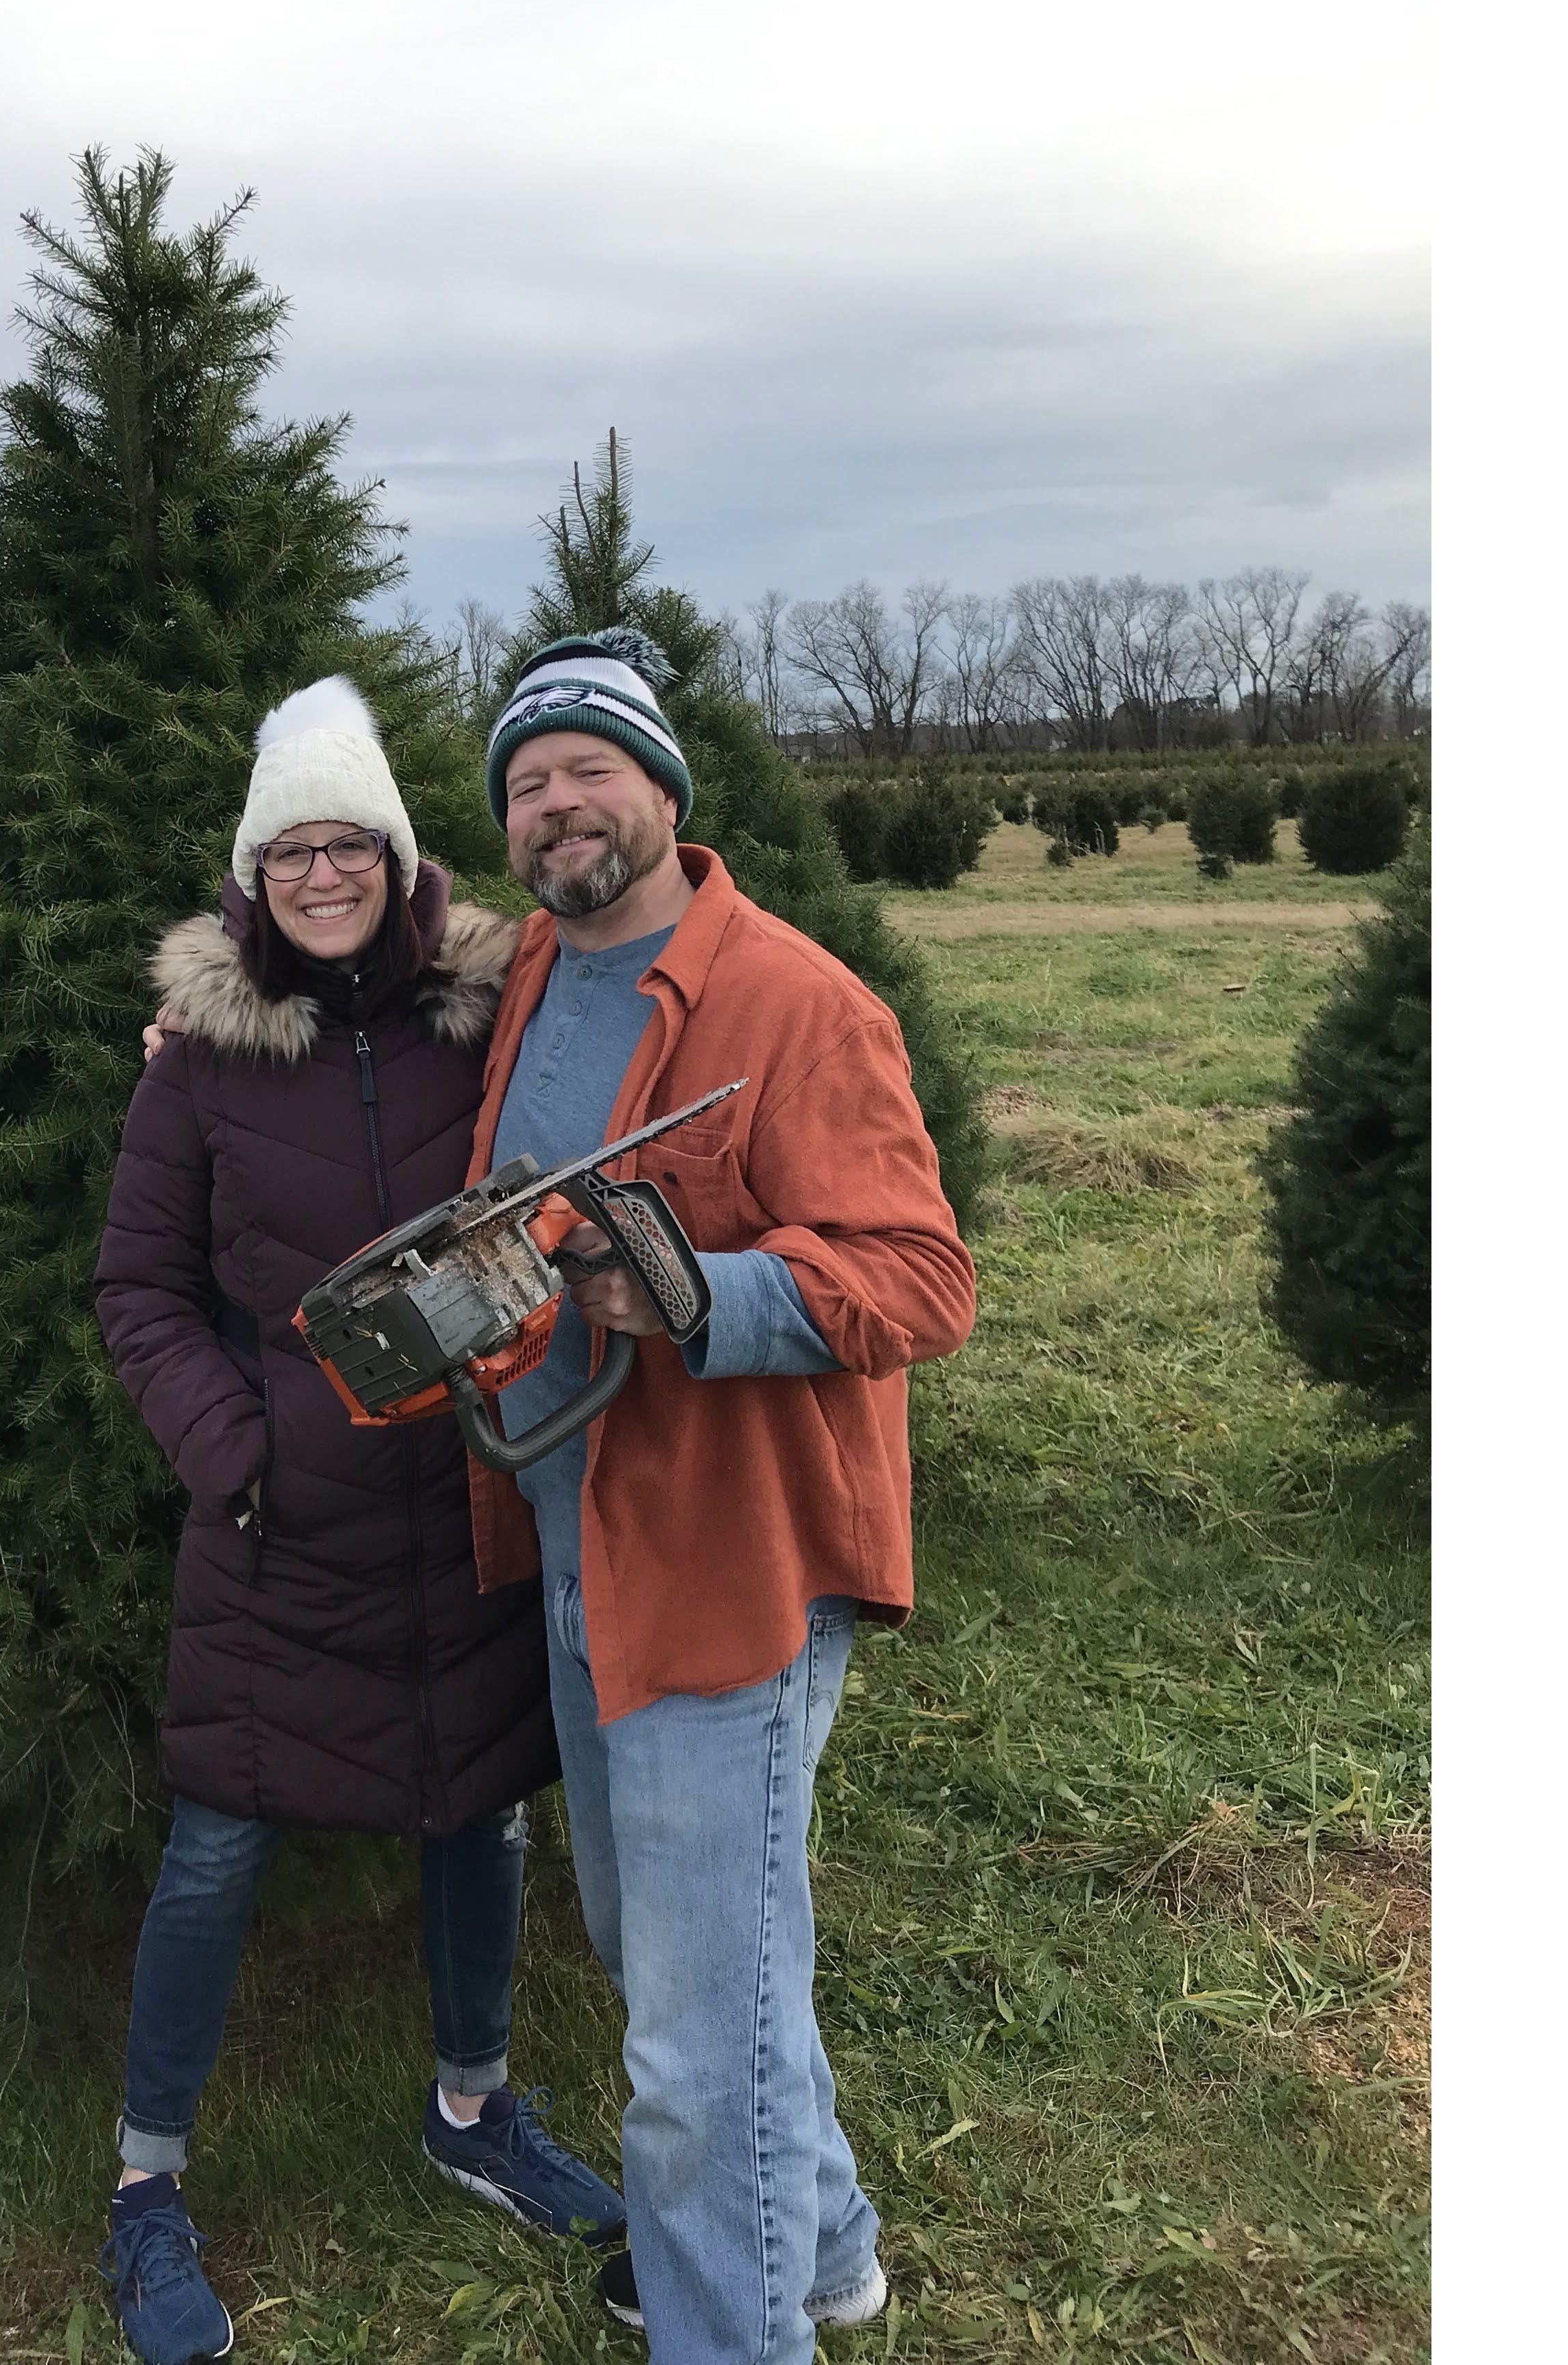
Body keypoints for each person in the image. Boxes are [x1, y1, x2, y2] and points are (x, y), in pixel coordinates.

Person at [93, 675, 630, 2365]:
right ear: (257, 880)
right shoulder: (199, 1066)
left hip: (468, 1495)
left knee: (480, 1810)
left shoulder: (491, 1014)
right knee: (221, 1842)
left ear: (403, 865)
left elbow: (631, 957)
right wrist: (232, 1449)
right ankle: (144, 2189)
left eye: (355, 844)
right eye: (292, 850)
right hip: (279, 1533)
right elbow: (142, 1290)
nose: (325, 873)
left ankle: (472, 2110)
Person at [469, 629, 979, 2361]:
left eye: (587, 769)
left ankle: (729, 2323)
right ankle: (821, 2249)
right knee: (681, 1953)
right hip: (573, 1533)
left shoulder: (794, 1002)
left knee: (695, 2028)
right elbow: (358, 932)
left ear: (663, 791)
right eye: (527, 785)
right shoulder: (537, 963)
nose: (556, 805)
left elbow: (921, 1281)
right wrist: (206, 998)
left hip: (725, 1565)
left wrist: (700, 1293)